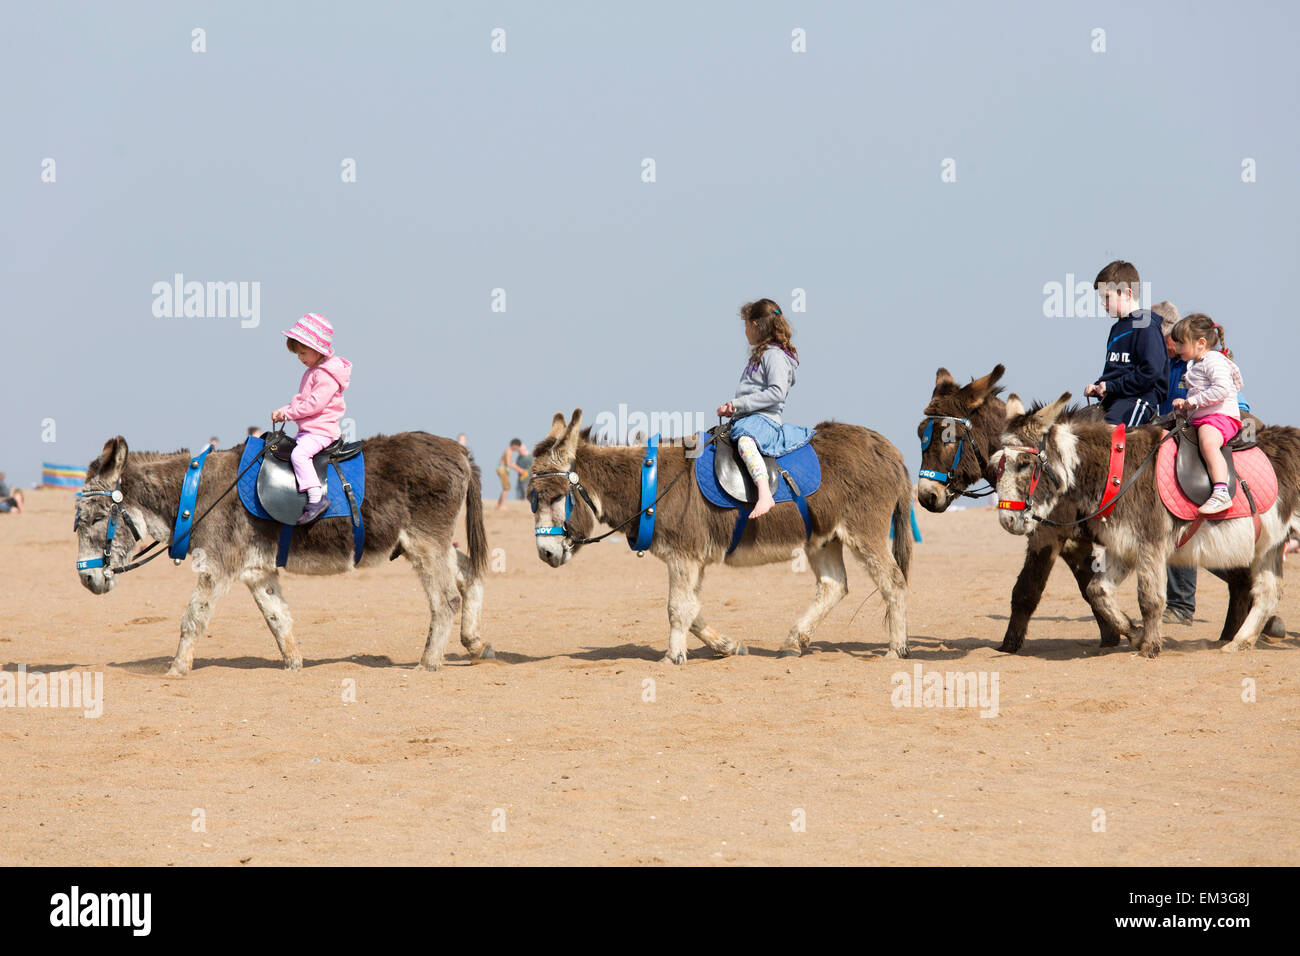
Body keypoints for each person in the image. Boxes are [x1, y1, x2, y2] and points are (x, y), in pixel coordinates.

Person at [715, 298, 814, 518]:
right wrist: (734, 409)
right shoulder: (759, 356)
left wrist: (737, 404)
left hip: (764, 421)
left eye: (746, 325)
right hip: (748, 418)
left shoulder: (774, 356)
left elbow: (777, 392)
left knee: (745, 442)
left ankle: (764, 493)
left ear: (756, 325)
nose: (745, 332)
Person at [270, 313, 353, 524]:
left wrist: (289, 414)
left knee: (299, 456)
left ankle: (317, 498)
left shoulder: (326, 375)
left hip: (322, 432)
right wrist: (283, 411)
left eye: (303, 352)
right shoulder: (312, 372)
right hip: (308, 431)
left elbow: (315, 404)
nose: (300, 357)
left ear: (317, 349)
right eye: (298, 354)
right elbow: (301, 402)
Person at [1170, 314, 1244, 515]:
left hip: (1221, 417)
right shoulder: (1196, 364)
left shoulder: (1214, 361)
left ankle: (1221, 491)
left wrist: (1191, 402)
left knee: (1208, 442)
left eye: (1181, 344)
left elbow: (1222, 389)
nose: (1177, 349)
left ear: (1200, 343)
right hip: (1205, 417)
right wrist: (1186, 407)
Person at [1152, 301, 1197, 625]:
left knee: (1182, 519)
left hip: (1188, 446)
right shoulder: (1163, 364)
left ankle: (1181, 605)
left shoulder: (1193, 364)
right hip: (1166, 443)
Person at [1083, 261, 1168, 427]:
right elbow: (1117, 371)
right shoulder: (1116, 328)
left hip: (1138, 400)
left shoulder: (1146, 325)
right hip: (1113, 400)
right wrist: (1099, 385)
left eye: (1107, 297)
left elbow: (1150, 372)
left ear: (1128, 293)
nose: (1102, 303)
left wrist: (1111, 386)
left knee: (1105, 436)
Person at [497, 439, 525, 509]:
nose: (518, 449)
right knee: (506, 488)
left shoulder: (508, 451)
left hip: (502, 469)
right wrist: (519, 469)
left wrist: (518, 469)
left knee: (505, 487)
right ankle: (501, 505)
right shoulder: (509, 451)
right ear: (514, 445)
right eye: (518, 447)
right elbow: (508, 464)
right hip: (502, 469)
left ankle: (499, 504)